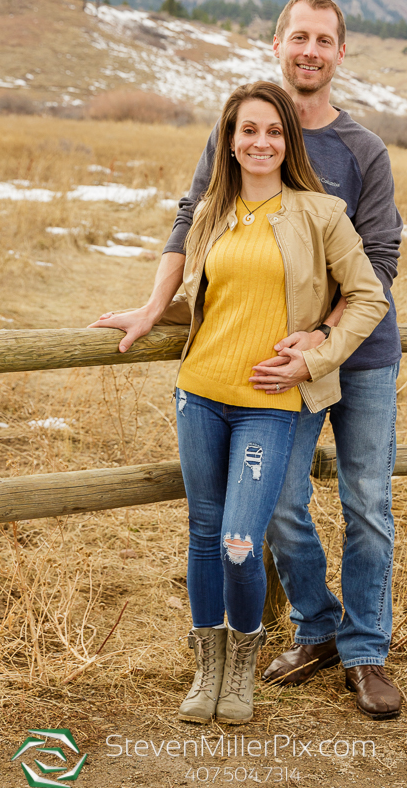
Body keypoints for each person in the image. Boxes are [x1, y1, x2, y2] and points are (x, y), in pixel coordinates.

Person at [89, 80, 388, 726]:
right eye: (247, 130)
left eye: (273, 131)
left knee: (237, 540)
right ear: (229, 140)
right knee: (202, 533)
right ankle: (209, 667)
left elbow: (369, 297)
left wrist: (315, 356)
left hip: (268, 403)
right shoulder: (209, 215)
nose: (260, 142)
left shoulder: (319, 214)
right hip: (199, 394)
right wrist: (149, 311)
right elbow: (209, 298)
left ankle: (244, 668)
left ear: (289, 141)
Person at [159, 0, 405, 720]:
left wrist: (322, 337)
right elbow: (194, 214)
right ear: (277, 44)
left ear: (338, 53)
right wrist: (154, 307)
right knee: (281, 506)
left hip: (358, 359)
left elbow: (378, 263)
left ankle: (363, 654)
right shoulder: (238, 129)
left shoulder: (361, 150)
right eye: (299, 36)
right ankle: (316, 625)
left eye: (323, 40)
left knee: (366, 503)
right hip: (275, 363)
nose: (310, 50)